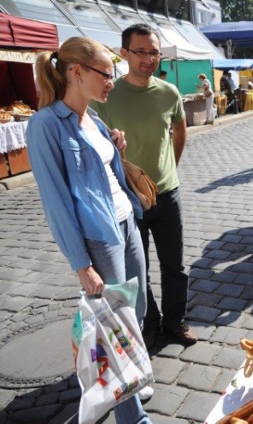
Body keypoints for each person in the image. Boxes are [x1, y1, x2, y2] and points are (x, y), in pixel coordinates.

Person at [26, 36, 151, 423]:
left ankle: (133, 377)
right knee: (114, 329)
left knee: (137, 310)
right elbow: (56, 202)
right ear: (76, 72)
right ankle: (132, 416)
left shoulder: (94, 119)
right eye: (106, 74)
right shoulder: (45, 126)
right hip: (99, 238)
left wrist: (115, 148)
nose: (111, 81)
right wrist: (82, 264)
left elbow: (106, 174)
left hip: (126, 223)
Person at [92, 23, 196, 348]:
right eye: (141, 52)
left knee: (174, 266)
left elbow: (180, 130)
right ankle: (149, 322)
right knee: (138, 269)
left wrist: (170, 168)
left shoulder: (168, 93)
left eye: (154, 52)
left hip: (167, 194)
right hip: (127, 199)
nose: (149, 59)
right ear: (124, 53)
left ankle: (175, 321)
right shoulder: (107, 95)